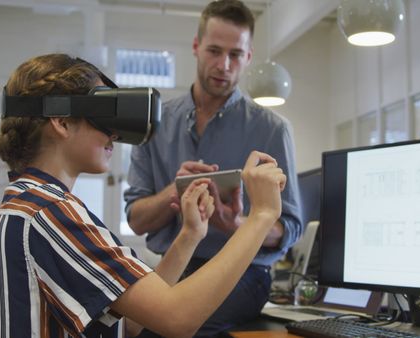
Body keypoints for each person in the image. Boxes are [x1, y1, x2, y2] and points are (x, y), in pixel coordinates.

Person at [0, 53, 288, 338]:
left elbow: (131, 323)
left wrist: (190, 235)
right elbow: (178, 319)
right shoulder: (49, 212)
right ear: (62, 121)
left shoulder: (28, 202)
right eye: (104, 117)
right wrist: (260, 216)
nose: (114, 135)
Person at [124, 0, 302, 335]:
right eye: (214, 51)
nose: (223, 65)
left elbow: (289, 227)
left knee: (163, 329)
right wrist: (172, 192)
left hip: (243, 272)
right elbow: (136, 219)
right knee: (125, 327)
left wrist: (239, 226)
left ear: (248, 57)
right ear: (196, 47)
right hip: (171, 266)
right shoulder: (156, 124)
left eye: (235, 54)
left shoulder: (272, 130)